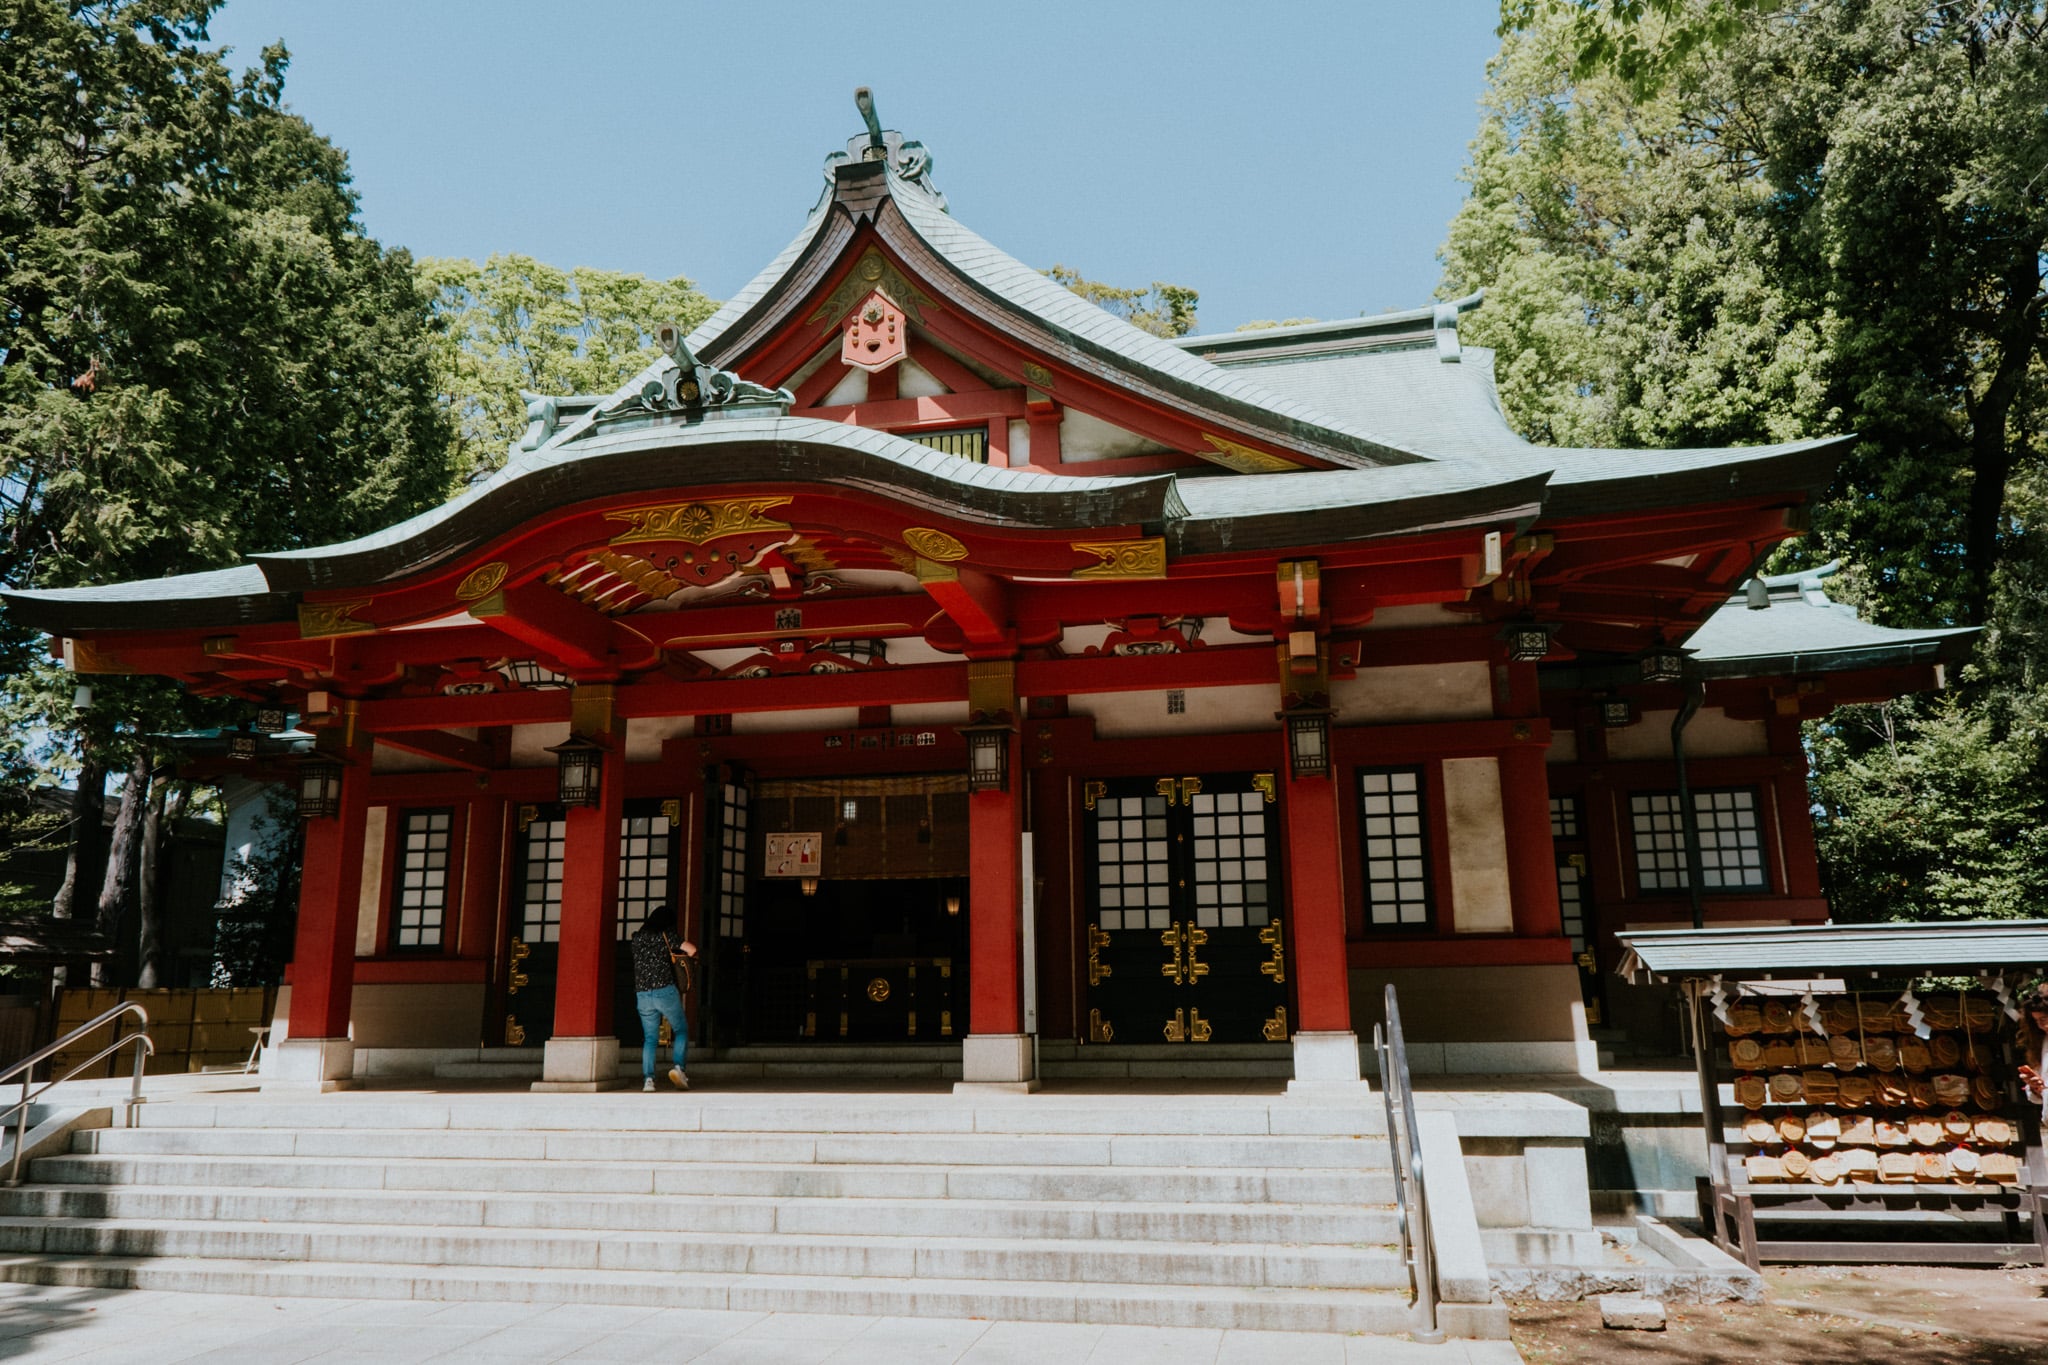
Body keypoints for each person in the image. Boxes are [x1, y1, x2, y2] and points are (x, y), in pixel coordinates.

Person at [630, 904, 697, 1092]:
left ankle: (648, 1080)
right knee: (681, 1030)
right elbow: (692, 950)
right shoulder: (667, 936)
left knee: (650, 1039)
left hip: (642, 994)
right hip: (665, 990)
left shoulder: (636, 939)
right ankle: (679, 1068)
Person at [2019, 983, 2048, 1124]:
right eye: (2036, 1021)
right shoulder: (2042, 1044)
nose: (2041, 1025)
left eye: (2043, 1019)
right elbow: (2042, 1094)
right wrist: (2036, 1087)